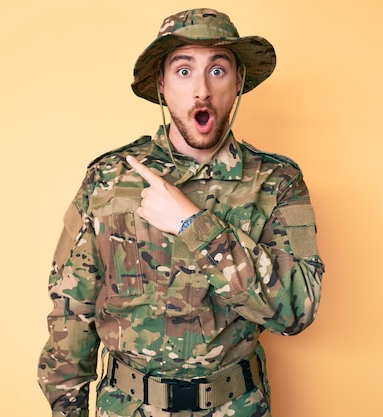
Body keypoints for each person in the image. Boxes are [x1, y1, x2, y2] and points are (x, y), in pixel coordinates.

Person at [38, 8, 324, 417]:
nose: (202, 91)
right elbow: (71, 311)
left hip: (236, 407)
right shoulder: (108, 180)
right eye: (184, 71)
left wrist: (194, 225)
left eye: (218, 70)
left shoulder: (277, 182)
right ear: (161, 84)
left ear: (239, 81)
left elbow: (299, 308)